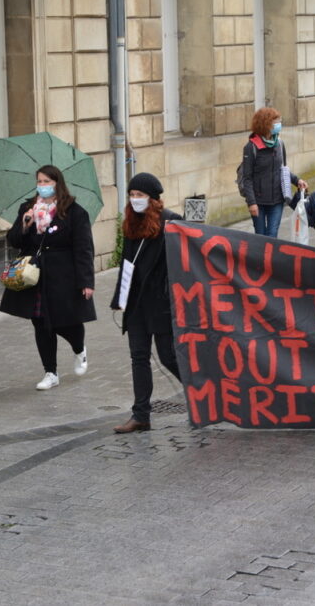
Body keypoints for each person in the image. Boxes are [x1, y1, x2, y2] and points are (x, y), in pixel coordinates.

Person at [0, 165, 96, 391]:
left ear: (57, 184)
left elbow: (84, 248)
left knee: (66, 321)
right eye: (39, 182)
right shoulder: (28, 208)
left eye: (46, 182)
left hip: (64, 274)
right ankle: (50, 372)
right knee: (41, 323)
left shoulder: (74, 212)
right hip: (35, 274)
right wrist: (25, 224)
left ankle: (79, 349)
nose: (42, 186)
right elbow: (14, 240)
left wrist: (86, 282)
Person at [110, 173, 183, 434]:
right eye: (132, 195)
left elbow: (183, 262)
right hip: (136, 303)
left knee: (168, 356)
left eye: (140, 195)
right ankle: (141, 414)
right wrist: (120, 297)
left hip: (161, 302)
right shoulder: (131, 222)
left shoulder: (171, 222)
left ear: (153, 198)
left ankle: (201, 396)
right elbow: (126, 264)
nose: (135, 200)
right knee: (138, 357)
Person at [240, 107, 307, 238]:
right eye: (275, 121)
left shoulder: (279, 143)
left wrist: (297, 180)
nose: (278, 124)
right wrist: (251, 203)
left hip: (277, 199)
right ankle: (260, 259)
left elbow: (283, 170)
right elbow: (247, 178)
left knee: (272, 235)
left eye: (279, 120)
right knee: (260, 236)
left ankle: (269, 259)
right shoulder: (251, 147)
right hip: (258, 201)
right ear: (265, 123)